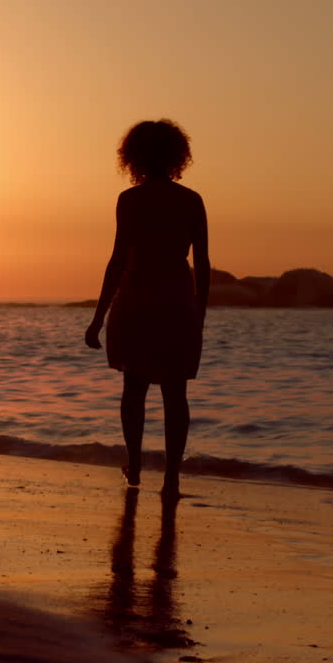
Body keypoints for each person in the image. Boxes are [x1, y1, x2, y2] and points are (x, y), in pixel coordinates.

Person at [86, 119, 209, 498]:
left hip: (136, 300)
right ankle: (172, 478)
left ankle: (135, 465)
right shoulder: (191, 200)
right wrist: (199, 314)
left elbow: (118, 261)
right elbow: (203, 264)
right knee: (175, 394)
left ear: (134, 156)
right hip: (176, 302)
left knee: (134, 388)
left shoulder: (130, 200)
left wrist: (98, 318)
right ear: (177, 156)